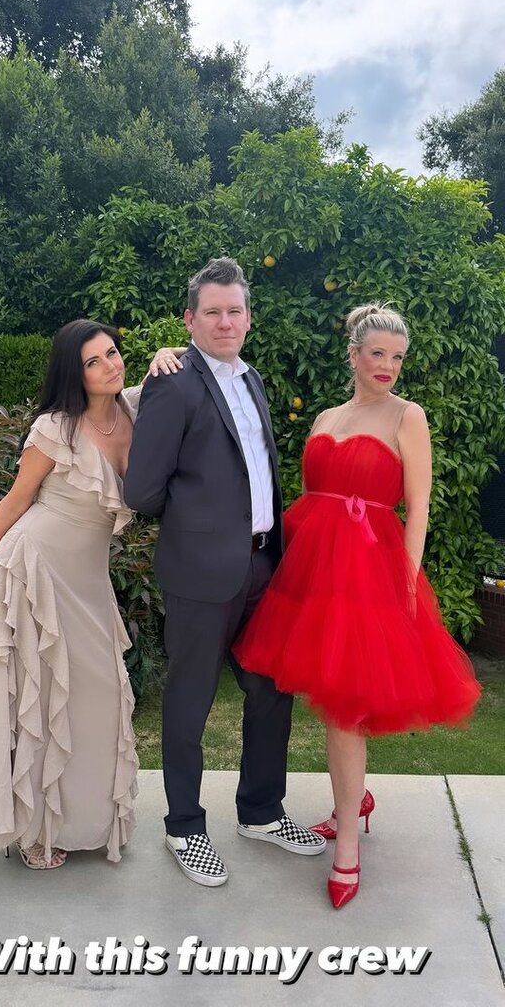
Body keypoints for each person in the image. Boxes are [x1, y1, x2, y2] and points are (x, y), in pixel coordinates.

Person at [233, 302, 482, 908]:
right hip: (311, 572)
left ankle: (347, 844)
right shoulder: (326, 416)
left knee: (345, 708)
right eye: (377, 354)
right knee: (322, 699)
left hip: (368, 573)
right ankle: (355, 800)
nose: (387, 366)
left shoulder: (408, 416)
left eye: (397, 357)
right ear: (354, 354)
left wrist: (407, 582)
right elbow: (309, 497)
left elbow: (418, 507)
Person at [0, 320, 181, 870]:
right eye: (93, 361)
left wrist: (167, 350)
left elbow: (175, 366)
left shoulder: (134, 408)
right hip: (36, 572)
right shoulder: (55, 428)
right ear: (74, 374)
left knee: (99, 694)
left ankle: (81, 819)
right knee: (42, 697)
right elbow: (14, 502)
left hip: (88, 580)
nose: (110, 366)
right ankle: (36, 828)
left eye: (113, 353)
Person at [123, 256, 326, 888]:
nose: (224, 322)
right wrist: (202, 528)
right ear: (190, 319)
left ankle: (261, 812)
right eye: (211, 312)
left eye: (234, 310)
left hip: (263, 566)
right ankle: (185, 827)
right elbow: (142, 490)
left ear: (248, 317)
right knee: (190, 701)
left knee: (270, 692)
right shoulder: (173, 382)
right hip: (200, 572)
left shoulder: (251, 378)